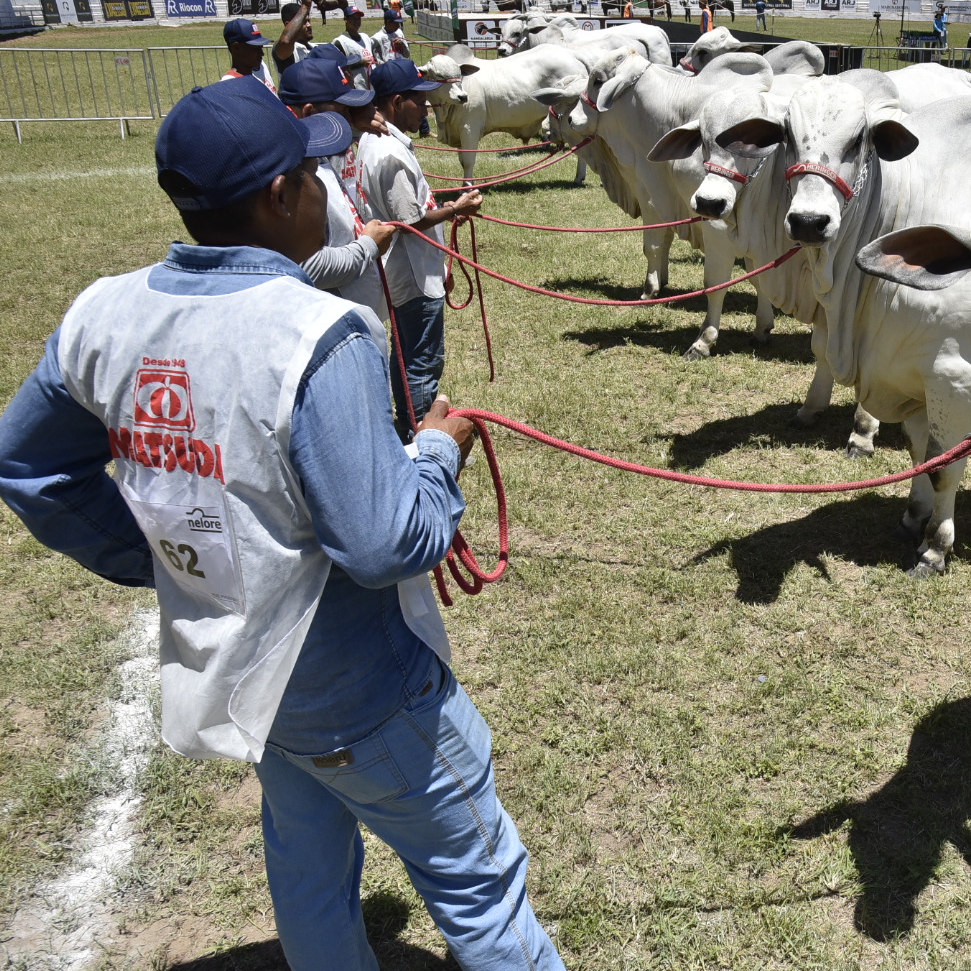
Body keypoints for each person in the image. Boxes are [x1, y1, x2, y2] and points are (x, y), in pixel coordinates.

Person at [0, 76, 566, 971]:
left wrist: (164, 559)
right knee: (480, 885)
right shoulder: (317, 331)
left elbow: (27, 464)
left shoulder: (102, 314)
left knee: (308, 879)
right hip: (364, 691)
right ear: (279, 195)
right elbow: (383, 542)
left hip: (250, 681)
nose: (331, 189)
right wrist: (437, 451)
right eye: (314, 173)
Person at [358, 60, 483, 435]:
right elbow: (409, 222)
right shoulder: (391, 153)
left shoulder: (371, 140)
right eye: (419, 99)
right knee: (422, 361)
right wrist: (455, 208)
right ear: (397, 102)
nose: (427, 106)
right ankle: (423, 435)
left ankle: (407, 425)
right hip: (413, 272)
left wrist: (446, 210)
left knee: (406, 355)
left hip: (403, 271)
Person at [279, 58, 394, 313]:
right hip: (331, 320)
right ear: (308, 114)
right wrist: (368, 246)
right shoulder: (293, 175)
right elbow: (308, 266)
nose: (350, 119)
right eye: (343, 112)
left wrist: (352, 124)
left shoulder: (313, 152)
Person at [221, 18, 275, 92]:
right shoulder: (228, 86)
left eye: (261, 48)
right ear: (236, 48)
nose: (262, 53)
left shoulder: (259, 76)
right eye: (256, 48)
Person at [331, 5, 375, 89]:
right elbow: (339, 68)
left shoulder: (365, 37)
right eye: (353, 18)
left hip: (371, 84)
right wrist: (361, 63)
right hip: (356, 87)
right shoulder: (340, 42)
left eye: (358, 18)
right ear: (346, 20)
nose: (357, 21)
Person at [274, 0, 315, 78]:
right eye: (303, 22)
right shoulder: (284, 48)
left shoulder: (315, 47)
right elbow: (286, 42)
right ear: (288, 25)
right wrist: (305, 6)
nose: (309, 25)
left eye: (309, 21)